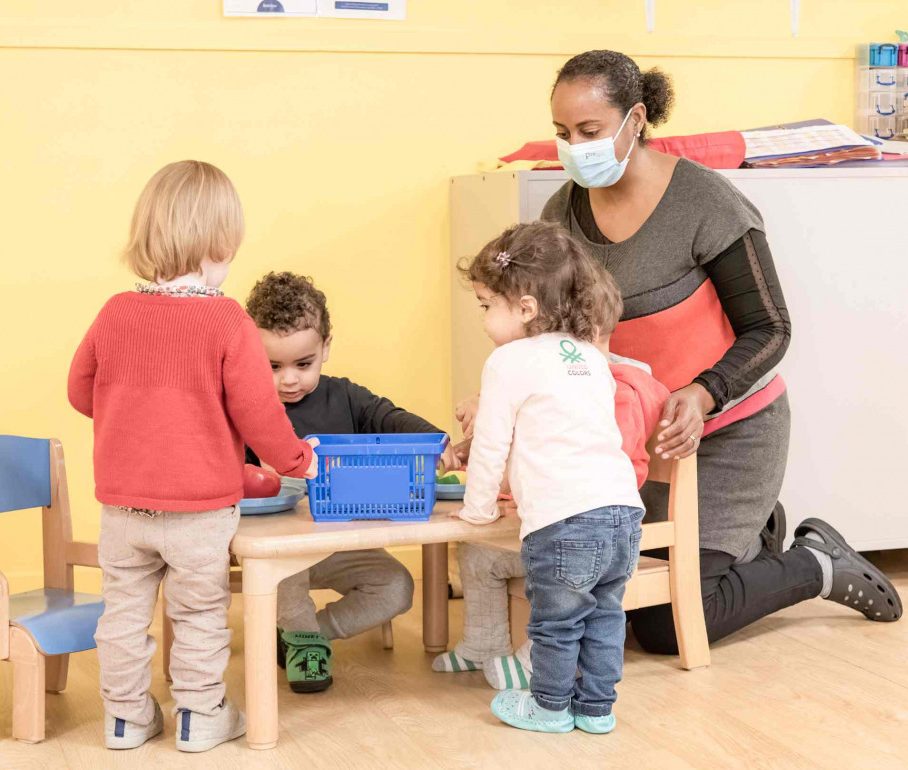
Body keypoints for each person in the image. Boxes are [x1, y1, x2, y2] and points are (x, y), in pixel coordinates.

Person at [540, 50, 903, 656]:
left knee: (665, 625)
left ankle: (816, 565)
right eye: (562, 134)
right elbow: (556, 337)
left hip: (732, 432)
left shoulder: (704, 202)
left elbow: (770, 329)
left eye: (589, 132)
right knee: (611, 595)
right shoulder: (563, 213)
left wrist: (703, 393)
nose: (574, 148)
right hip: (643, 444)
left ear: (635, 119)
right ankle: (756, 541)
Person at [68, 161, 318, 752]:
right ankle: (199, 717)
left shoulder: (114, 312)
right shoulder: (227, 320)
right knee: (200, 614)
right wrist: (297, 461)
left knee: (123, 613)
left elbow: (81, 391)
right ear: (216, 247)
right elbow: (259, 414)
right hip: (200, 512)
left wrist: (134, 420)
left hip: (124, 507)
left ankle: (125, 720)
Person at [435, 265, 670, 690]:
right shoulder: (584, 375)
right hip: (614, 526)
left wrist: (483, 502)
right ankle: (590, 704)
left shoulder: (613, 386)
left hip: (573, 526)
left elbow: (586, 461)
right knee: (486, 560)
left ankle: (544, 694)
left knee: (558, 618)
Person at [456, 220, 645, 735]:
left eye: (485, 305)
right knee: (605, 616)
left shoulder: (507, 360)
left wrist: (478, 510)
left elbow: (492, 444)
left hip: (565, 522)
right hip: (624, 513)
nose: (483, 319)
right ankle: (596, 710)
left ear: (524, 308)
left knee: (557, 624)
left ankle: (549, 707)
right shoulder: (589, 356)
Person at [244, 271, 458, 693]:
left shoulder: (344, 396)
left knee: (397, 587)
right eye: (273, 366)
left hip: (340, 545)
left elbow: (389, 417)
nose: (289, 379)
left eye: (303, 364)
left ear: (325, 348)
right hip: (280, 552)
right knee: (283, 575)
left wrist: (437, 439)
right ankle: (303, 640)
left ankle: (307, 634)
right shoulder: (247, 404)